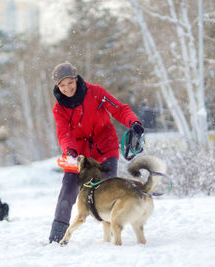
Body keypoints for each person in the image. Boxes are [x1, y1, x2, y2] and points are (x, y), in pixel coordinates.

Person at [48, 62, 145, 243]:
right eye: (62, 85)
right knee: (68, 188)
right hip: (78, 156)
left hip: (105, 146)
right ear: (57, 87)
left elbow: (119, 109)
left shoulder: (96, 93)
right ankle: (57, 237)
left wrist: (134, 123)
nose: (67, 88)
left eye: (70, 82)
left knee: (109, 188)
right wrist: (70, 151)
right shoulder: (59, 108)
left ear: (76, 79)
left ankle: (109, 235)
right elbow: (64, 133)